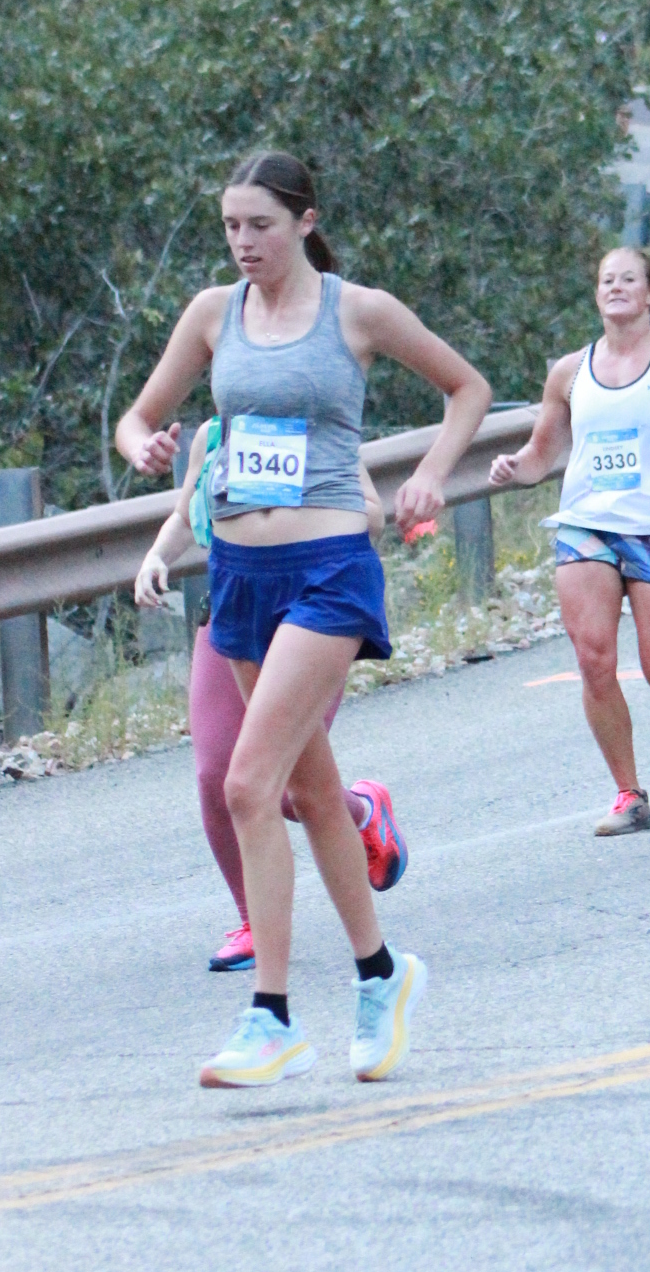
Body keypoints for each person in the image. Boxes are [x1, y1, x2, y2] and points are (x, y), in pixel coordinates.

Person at [115, 150, 491, 1088]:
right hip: (240, 574)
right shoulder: (213, 313)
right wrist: (145, 445)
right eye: (231, 226)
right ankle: (382, 976)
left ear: (305, 223)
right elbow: (138, 418)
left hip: (329, 570)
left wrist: (431, 475)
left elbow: (468, 389)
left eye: (261, 226)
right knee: (314, 796)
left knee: (249, 785)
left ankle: (271, 1017)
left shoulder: (357, 310)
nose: (243, 243)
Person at [134, 424, 406, 975]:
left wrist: (300, 514)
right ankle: (252, 920)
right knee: (217, 775)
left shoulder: (310, 422)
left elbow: (374, 515)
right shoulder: (211, 437)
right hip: (232, 608)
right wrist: (157, 557)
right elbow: (185, 514)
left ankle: (361, 811)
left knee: (284, 786)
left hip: (310, 613)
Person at [488, 246, 650, 835]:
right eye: (607, 280)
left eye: (629, 279)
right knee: (594, 658)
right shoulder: (569, 371)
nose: (617, 288)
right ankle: (630, 795)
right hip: (586, 524)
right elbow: (542, 453)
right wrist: (514, 467)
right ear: (597, 294)